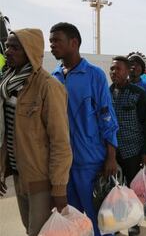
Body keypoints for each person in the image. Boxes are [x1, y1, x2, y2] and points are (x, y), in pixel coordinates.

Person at [0, 28, 72, 236]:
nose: (8, 51)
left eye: (14, 47)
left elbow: (60, 141)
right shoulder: (7, 83)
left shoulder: (48, 87)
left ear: (30, 51)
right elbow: (4, 134)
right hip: (18, 173)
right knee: (29, 229)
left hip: (40, 178)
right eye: (7, 46)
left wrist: (59, 188)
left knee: (40, 232)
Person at [50, 22, 118, 236]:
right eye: (50, 41)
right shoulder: (53, 78)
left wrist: (111, 157)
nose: (52, 45)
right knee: (73, 221)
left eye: (56, 40)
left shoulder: (94, 75)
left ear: (74, 42)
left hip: (90, 162)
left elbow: (107, 118)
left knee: (98, 218)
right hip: (63, 166)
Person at [109, 56, 146, 235]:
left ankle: (134, 222)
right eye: (112, 69)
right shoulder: (106, 92)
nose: (114, 72)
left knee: (134, 189)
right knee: (115, 191)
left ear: (128, 71)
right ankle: (118, 223)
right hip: (112, 152)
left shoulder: (138, 93)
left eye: (118, 69)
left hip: (133, 151)